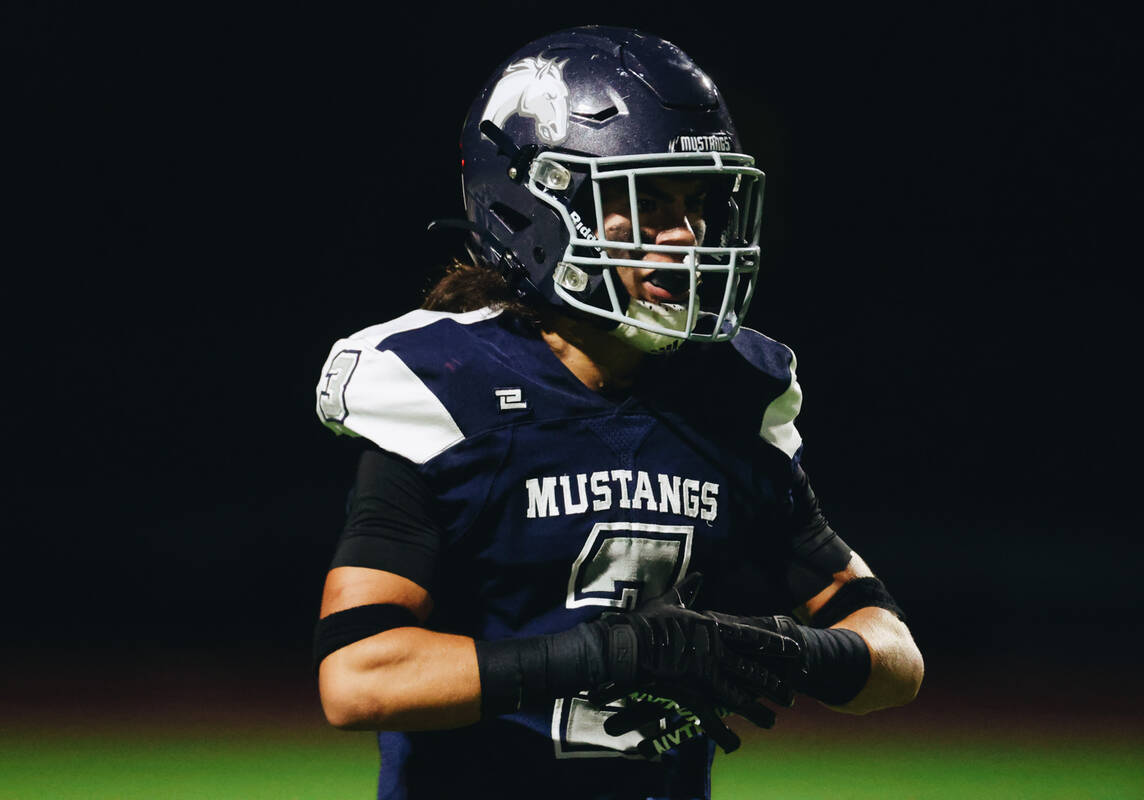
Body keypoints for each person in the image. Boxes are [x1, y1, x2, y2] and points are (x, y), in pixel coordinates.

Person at [313, 25, 923, 799]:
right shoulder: (449, 385)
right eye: (642, 203)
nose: (686, 236)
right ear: (529, 210)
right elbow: (358, 678)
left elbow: (895, 656)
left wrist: (780, 648)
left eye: (696, 202)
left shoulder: (730, 393)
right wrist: (612, 655)